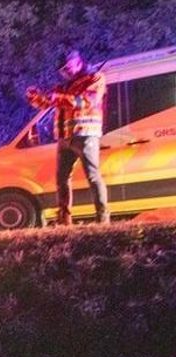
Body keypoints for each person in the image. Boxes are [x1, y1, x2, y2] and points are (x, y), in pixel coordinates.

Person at [26, 50, 110, 225]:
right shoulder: (64, 86)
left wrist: (60, 98)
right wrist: (35, 97)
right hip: (65, 138)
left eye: (67, 67)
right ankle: (65, 220)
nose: (65, 72)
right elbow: (46, 104)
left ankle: (103, 218)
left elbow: (87, 102)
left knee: (93, 176)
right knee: (62, 179)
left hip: (85, 134)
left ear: (77, 62)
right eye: (62, 69)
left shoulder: (94, 78)